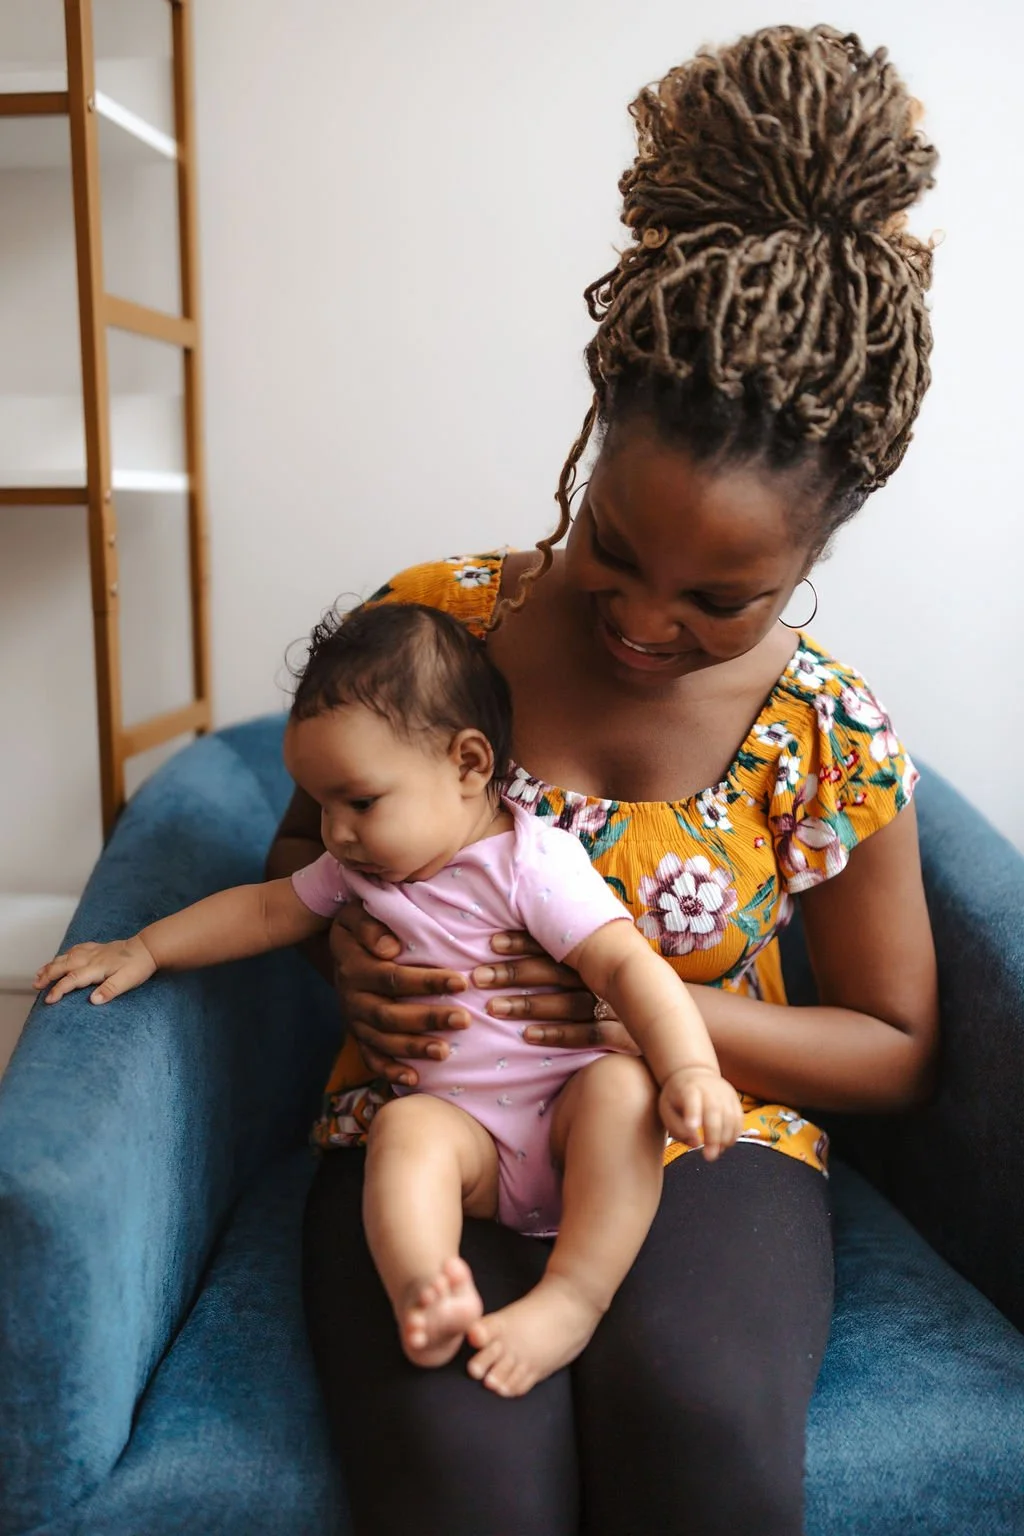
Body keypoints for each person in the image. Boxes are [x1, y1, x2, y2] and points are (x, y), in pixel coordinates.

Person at [267, 24, 940, 1536]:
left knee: (697, 1416)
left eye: (724, 602)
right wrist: (343, 966)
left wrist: (643, 1005)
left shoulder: (826, 732)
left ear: (812, 563)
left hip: (707, 1138)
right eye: (613, 554)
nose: (646, 623)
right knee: (463, 1465)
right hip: (431, 1119)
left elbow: (898, 1045)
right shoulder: (437, 634)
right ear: (589, 447)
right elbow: (294, 871)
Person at [33, 602, 743, 1399]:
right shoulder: (357, 873)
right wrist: (146, 947)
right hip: (464, 1135)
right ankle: (425, 1287)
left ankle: (573, 1296)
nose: (333, 831)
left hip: (567, 1114)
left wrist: (689, 1068)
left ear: (469, 765)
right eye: (321, 803)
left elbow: (627, 968)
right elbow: (264, 909)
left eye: (360, 802)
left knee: (624, 1089)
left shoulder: (530, 864)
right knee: (403, 1130)